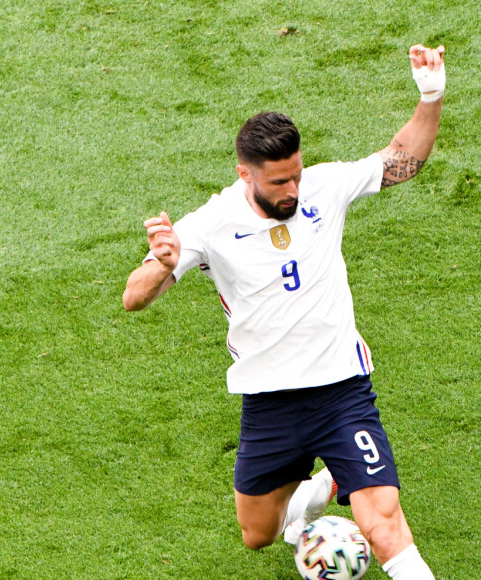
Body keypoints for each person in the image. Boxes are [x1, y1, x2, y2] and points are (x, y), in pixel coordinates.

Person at [123, 44, 445, 579]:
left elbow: (402, 159)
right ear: (245, 174)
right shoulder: (211, 223)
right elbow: (133, 296)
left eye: (295, 174)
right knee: (258, 535)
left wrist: (430, 94)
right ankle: (316, 493)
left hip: (342, 391)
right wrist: (162, 265)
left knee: (385, 526)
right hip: (269, 403)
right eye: (279, 182)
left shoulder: (323, 187)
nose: (293, 189)